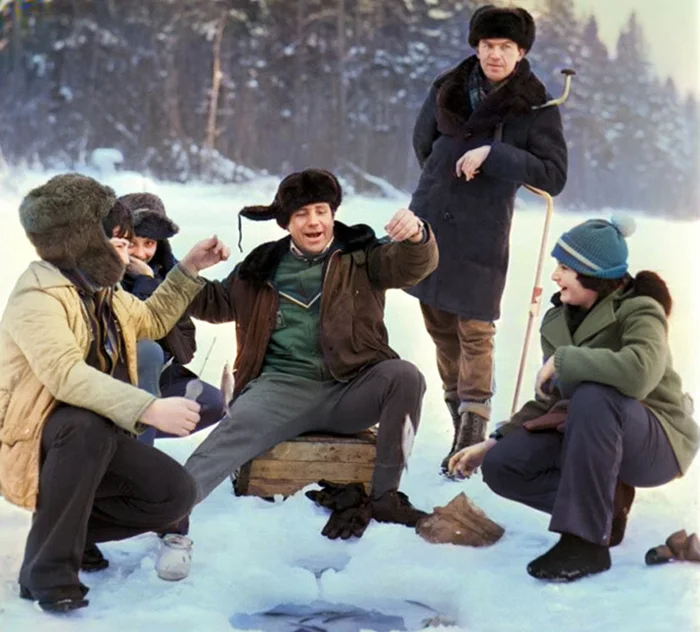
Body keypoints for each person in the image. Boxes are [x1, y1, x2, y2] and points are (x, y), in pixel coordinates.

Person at [0, 173, 229, 612]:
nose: (127, 251)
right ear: (83, 242)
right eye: (118, 241)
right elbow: (65, 375)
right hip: (35, 439)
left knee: (175, 494)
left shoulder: (103, 291)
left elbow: (152, 320)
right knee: (82, 423)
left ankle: (68, 533)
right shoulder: (39, 293)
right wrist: (149, 408)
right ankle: (48, 572)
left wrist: (188, 269)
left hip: (94, 440)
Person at [184, 168, 439, 539]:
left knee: (405, 376)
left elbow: (412, 264)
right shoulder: (261, 265)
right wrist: (186, 269)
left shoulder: (362, 254)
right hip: (280, 389)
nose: (314, 221)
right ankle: (169, 505)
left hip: (351, 386)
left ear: (333, 214)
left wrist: (417, 235)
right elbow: (215, 304)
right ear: (287, 223)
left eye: (321, 210)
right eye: (301, 213)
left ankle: (385, 498)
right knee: (229, 435)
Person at [449, 217, 699, 582]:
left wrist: (565, 360)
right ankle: (604, 511)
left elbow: (640, 373)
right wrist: (493, 441)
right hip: (591, 432)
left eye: (564, 268)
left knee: (595, 396)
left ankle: (584, 544)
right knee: (503, 465)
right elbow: (549, 400)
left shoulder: (640, 309)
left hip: (656, 442)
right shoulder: (556, 321)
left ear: (592, 274)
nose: (555, 275)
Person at [407, 4, 568, 473]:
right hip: (433, 216)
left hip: (484, 227)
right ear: (476, 47)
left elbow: (553, 175)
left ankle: (472, 431)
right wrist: (444, 180)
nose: (495, 54)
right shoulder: (448, 86)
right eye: (487, 45)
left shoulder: (535, 105)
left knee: (476, 327)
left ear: (521, 52)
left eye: (505, 46)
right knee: (439, 324)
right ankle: (458, 418)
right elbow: (424, 144)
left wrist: (494, 155)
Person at [117, 192, 226, 446]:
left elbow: (188, 343)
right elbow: (134, 332)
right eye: (132, 243)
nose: (141, 253)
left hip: (162, 376)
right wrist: (145, 282)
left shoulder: (167, 271)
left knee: (212, 403)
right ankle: (138, 453)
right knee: (149, 350)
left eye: (149, 243)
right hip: (116, 378)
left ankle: (131, 434)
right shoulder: (103, 275)